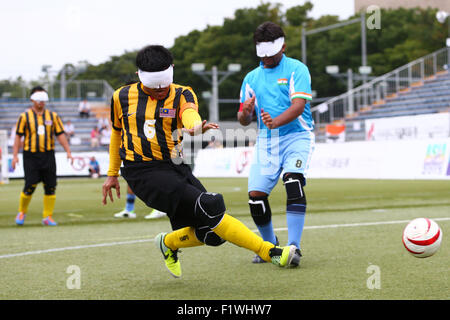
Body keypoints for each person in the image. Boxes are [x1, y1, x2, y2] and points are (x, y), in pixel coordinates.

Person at [102, 45, 301, 278]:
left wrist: (195, 127)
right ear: (139, 76)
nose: (159, 91)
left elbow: (190, 115)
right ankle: (271, 252)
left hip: (175, 167)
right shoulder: (121, 97)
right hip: (142, 172)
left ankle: (168, 243)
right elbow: (117, 133)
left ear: (172, 71)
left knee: (213, 234)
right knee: (210, 205)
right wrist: (112, 173)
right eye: (152, 87)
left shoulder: (183, 93)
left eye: (163, 85)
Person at [237, 22, 315, 265]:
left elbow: (298, 107)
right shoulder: (251, 78)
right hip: (267, 142)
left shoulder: (297, 69)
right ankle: (269, 247)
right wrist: (246, 113)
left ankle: (294, 246)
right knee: (255, 197)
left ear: (283, 47)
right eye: (263, 55)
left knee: (293, 181)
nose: (267, 59)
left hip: (297, 137)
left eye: (271, 54)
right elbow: (242, 119)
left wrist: (275, 122)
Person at [12, 86, 73, 226]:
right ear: (32, 99)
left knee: (51, 186)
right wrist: (15, 156)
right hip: (30, 156)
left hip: (48, 155)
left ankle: (47, 216)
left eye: (43, 100)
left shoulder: (53, 116)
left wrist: (68, 151)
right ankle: (22, 211)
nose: (41, 102)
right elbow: (18, 137)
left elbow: (60, 135)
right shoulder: (24, 117)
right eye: (38, 99)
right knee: (30, 184)